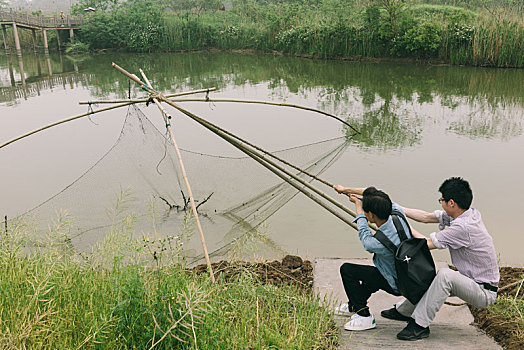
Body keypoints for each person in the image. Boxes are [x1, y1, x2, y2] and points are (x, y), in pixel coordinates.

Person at [380, 177, 499, 341]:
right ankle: (404, 311)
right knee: (434, 276)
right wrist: (395, 208)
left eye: (441, 200)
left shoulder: (463, 227)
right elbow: (426, 216)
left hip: (484, 291)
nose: (440, 203)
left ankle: (419, 325)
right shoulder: (466, 214)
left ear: (451, 203)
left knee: (444, 276)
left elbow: (424, 244)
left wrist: (402, 226)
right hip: (470, 280)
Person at [332, 185, 412, 331]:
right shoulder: (397, 212)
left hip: (397, 284)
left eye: (367, 213)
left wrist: (358, 207)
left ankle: (363, 316)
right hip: (409, 276)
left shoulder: (380, 242)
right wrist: (345, 189)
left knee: (348, 270)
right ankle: (354, 305)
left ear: (371, 215)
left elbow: (364, 235)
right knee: (373, 276)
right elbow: (374, 193)